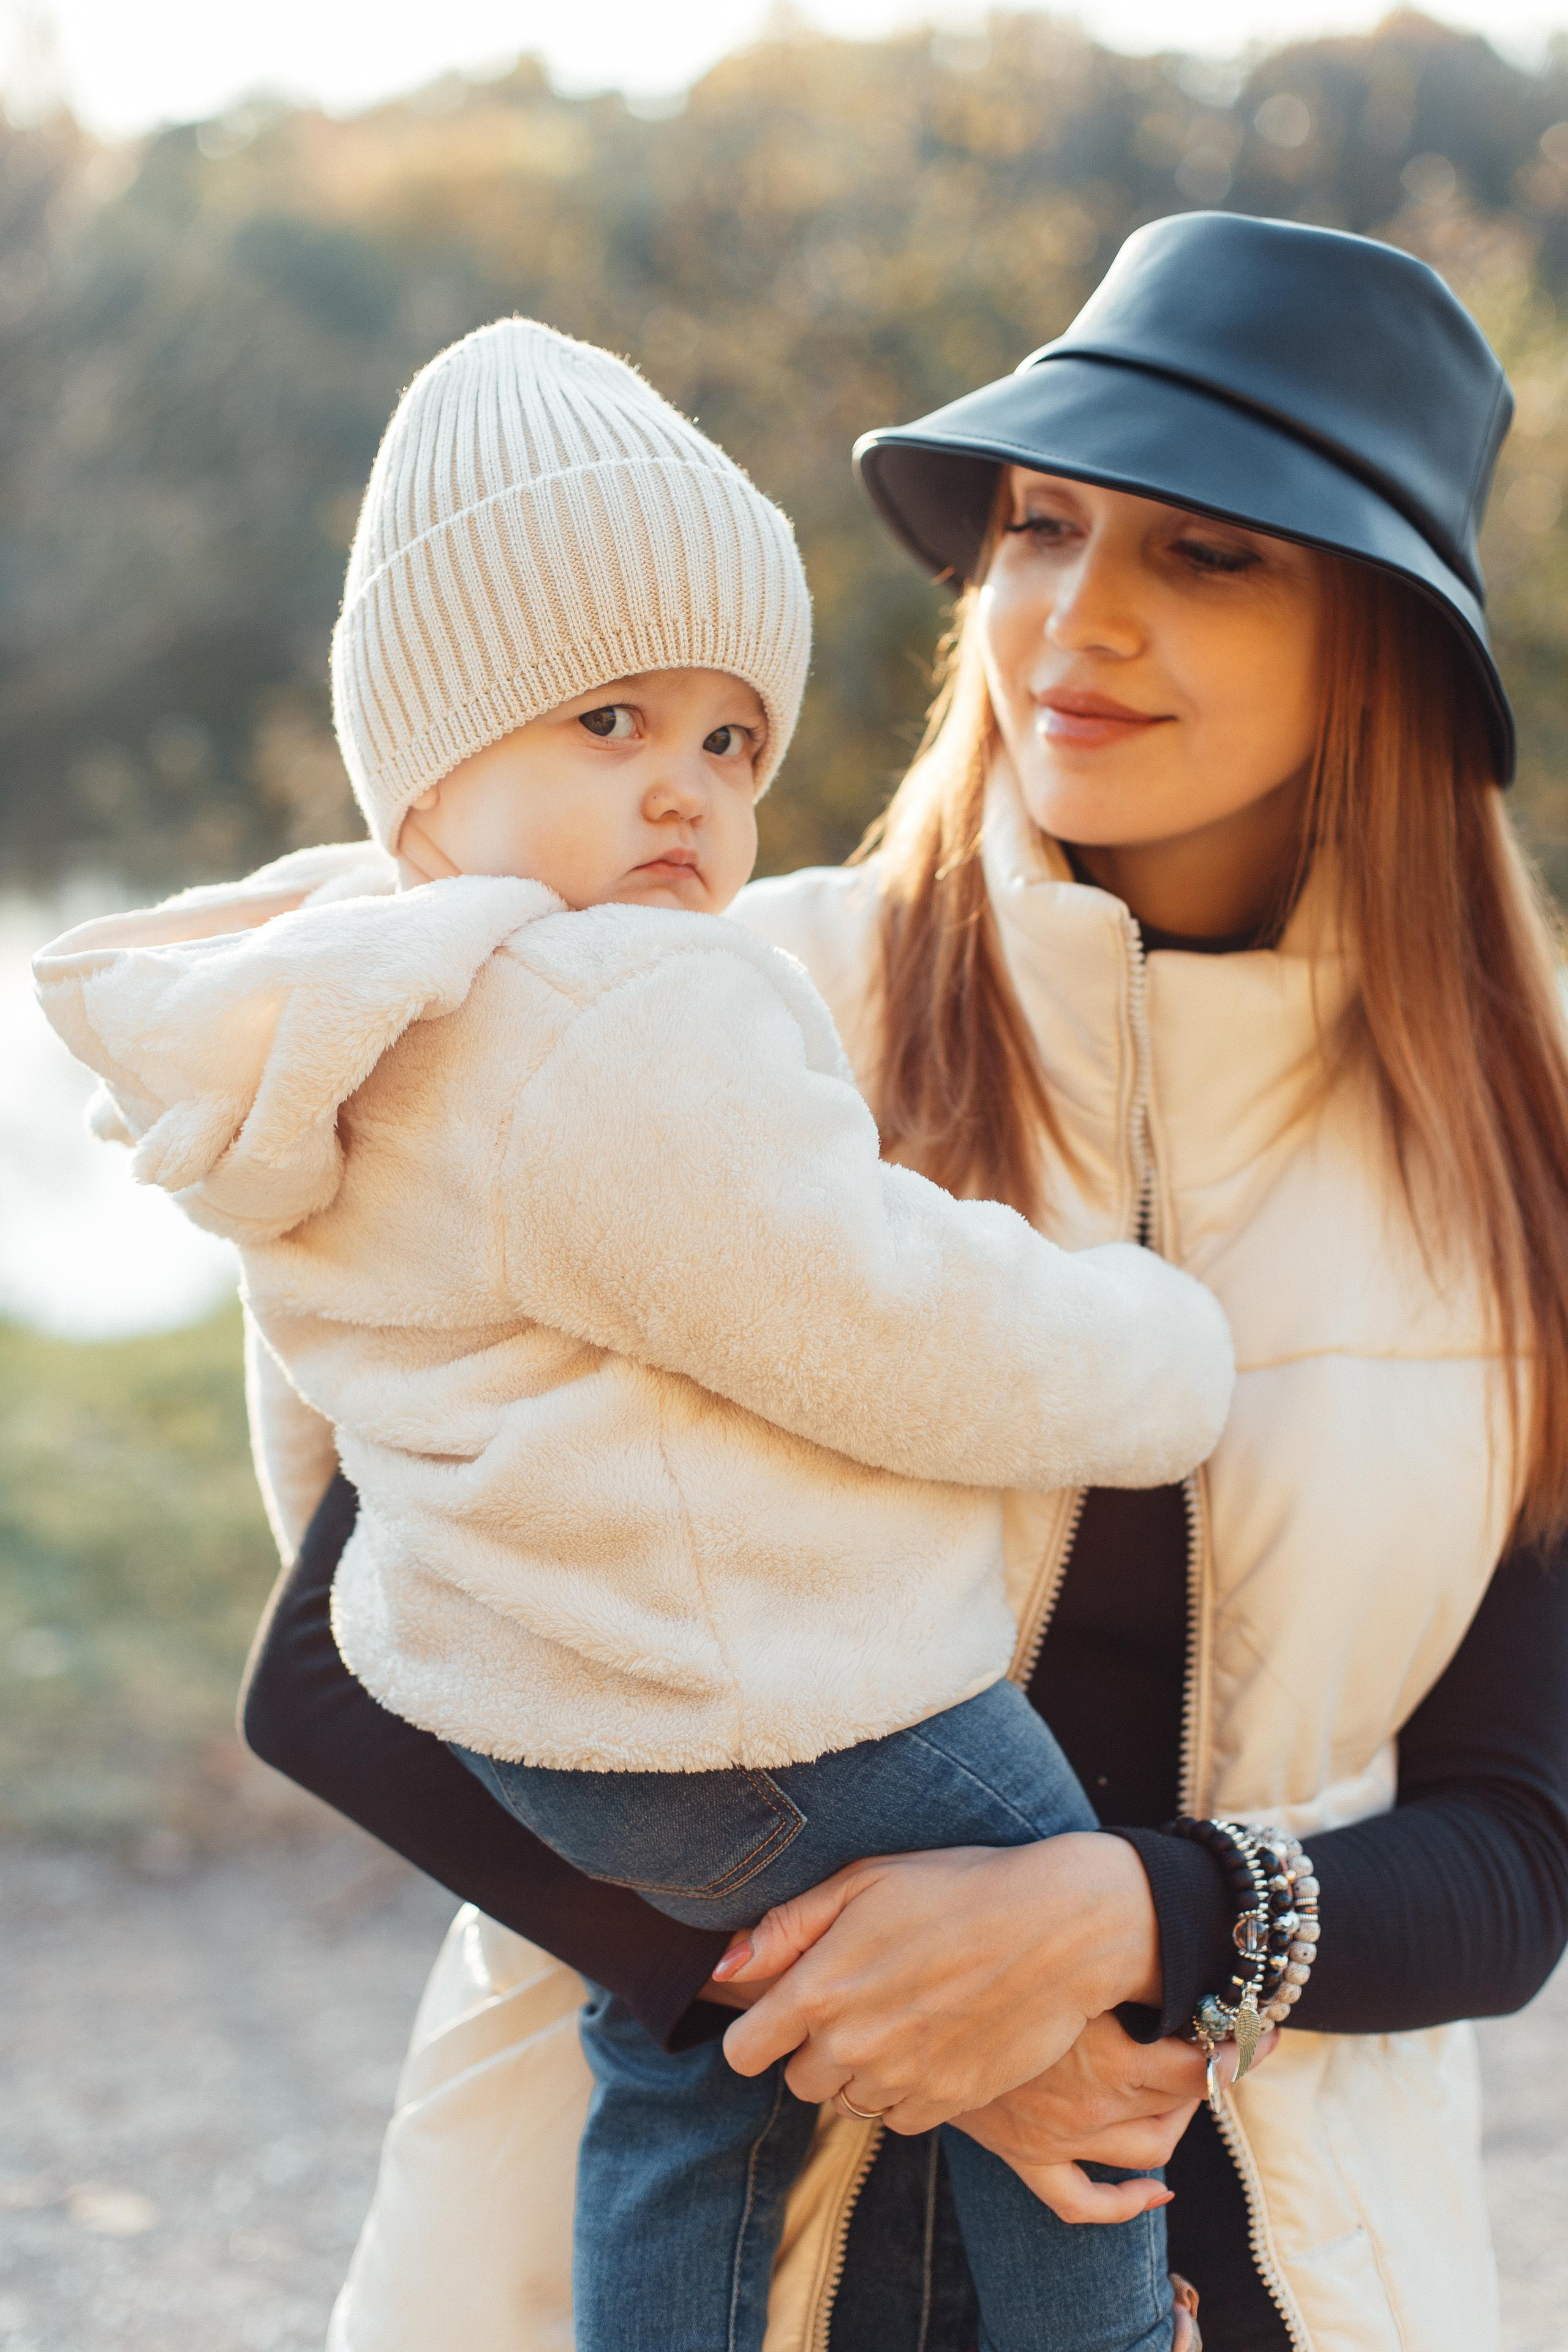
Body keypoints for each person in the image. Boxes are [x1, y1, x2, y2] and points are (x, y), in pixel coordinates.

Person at [241, 214, 1568, 2351]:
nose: (1079, 616)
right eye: (1044, 525)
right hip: (685, 2244)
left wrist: (1103, 1925)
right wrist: (904, 2006)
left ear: (1385, 643)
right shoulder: (698, 1012)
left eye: (1208, 554)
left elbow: (1519, 1847)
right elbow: (347, 1663)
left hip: (1258, 2266)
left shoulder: (1528, 1153)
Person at [34, 317, 1237, 2352]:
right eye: (610, 723)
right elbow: (879, 1312)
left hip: (554, 1735)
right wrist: (1156, 1347)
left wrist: (454, 1614)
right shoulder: (620, 1014)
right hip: (785, 1695)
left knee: (690, 2085)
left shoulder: (322, 1015)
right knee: (1064, 1968)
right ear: (432, 754)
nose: (682, 793)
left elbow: (304, 1420)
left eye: (728, 744)